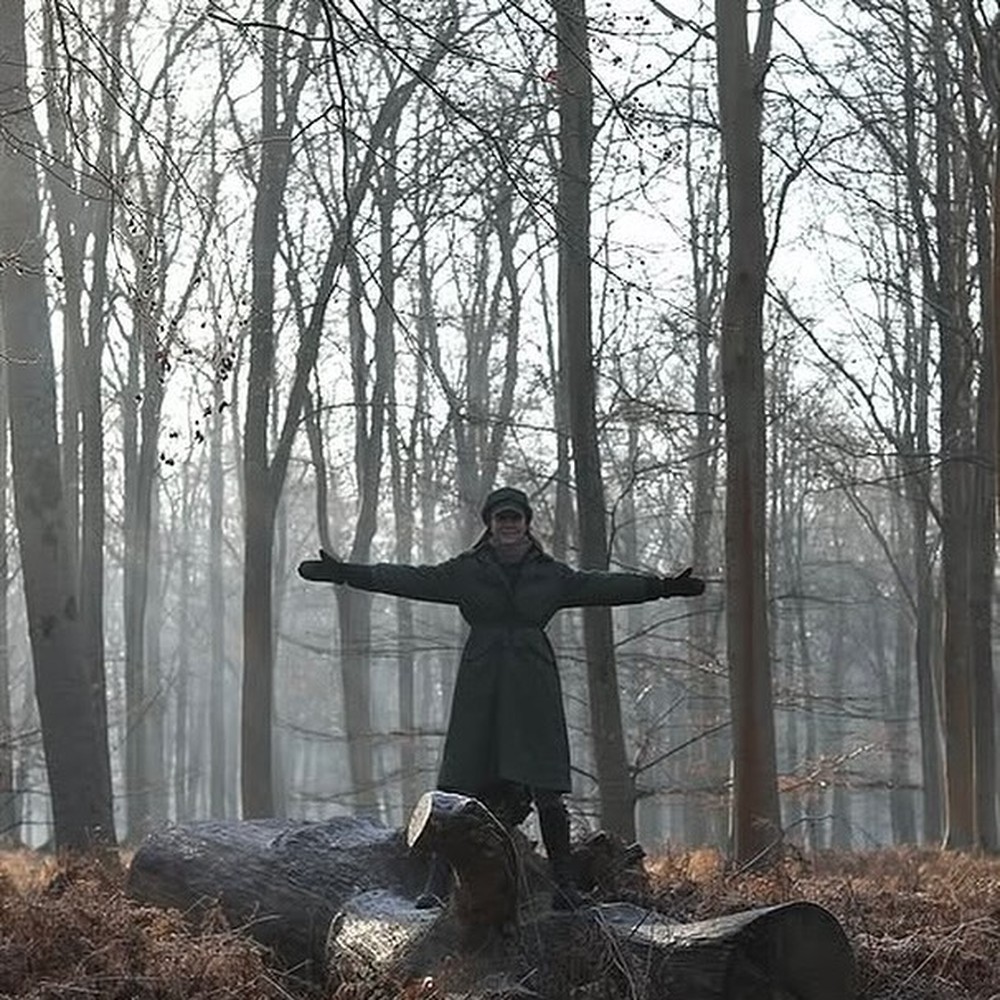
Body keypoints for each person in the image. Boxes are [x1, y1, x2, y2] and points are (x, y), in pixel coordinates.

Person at [298, 485, 705, 910]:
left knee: (546, 785)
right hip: (482, 684)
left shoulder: (551, 574)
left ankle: (565, 885)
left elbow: (601, 586)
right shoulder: (466, 571)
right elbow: (409, 578)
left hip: (532, 684)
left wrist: (660, 587)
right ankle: (436, 887)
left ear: (527, 524)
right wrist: (347, 573)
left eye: (515, 518)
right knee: (458, 782)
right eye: (501, 519)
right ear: (490, 526)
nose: (508, 525)